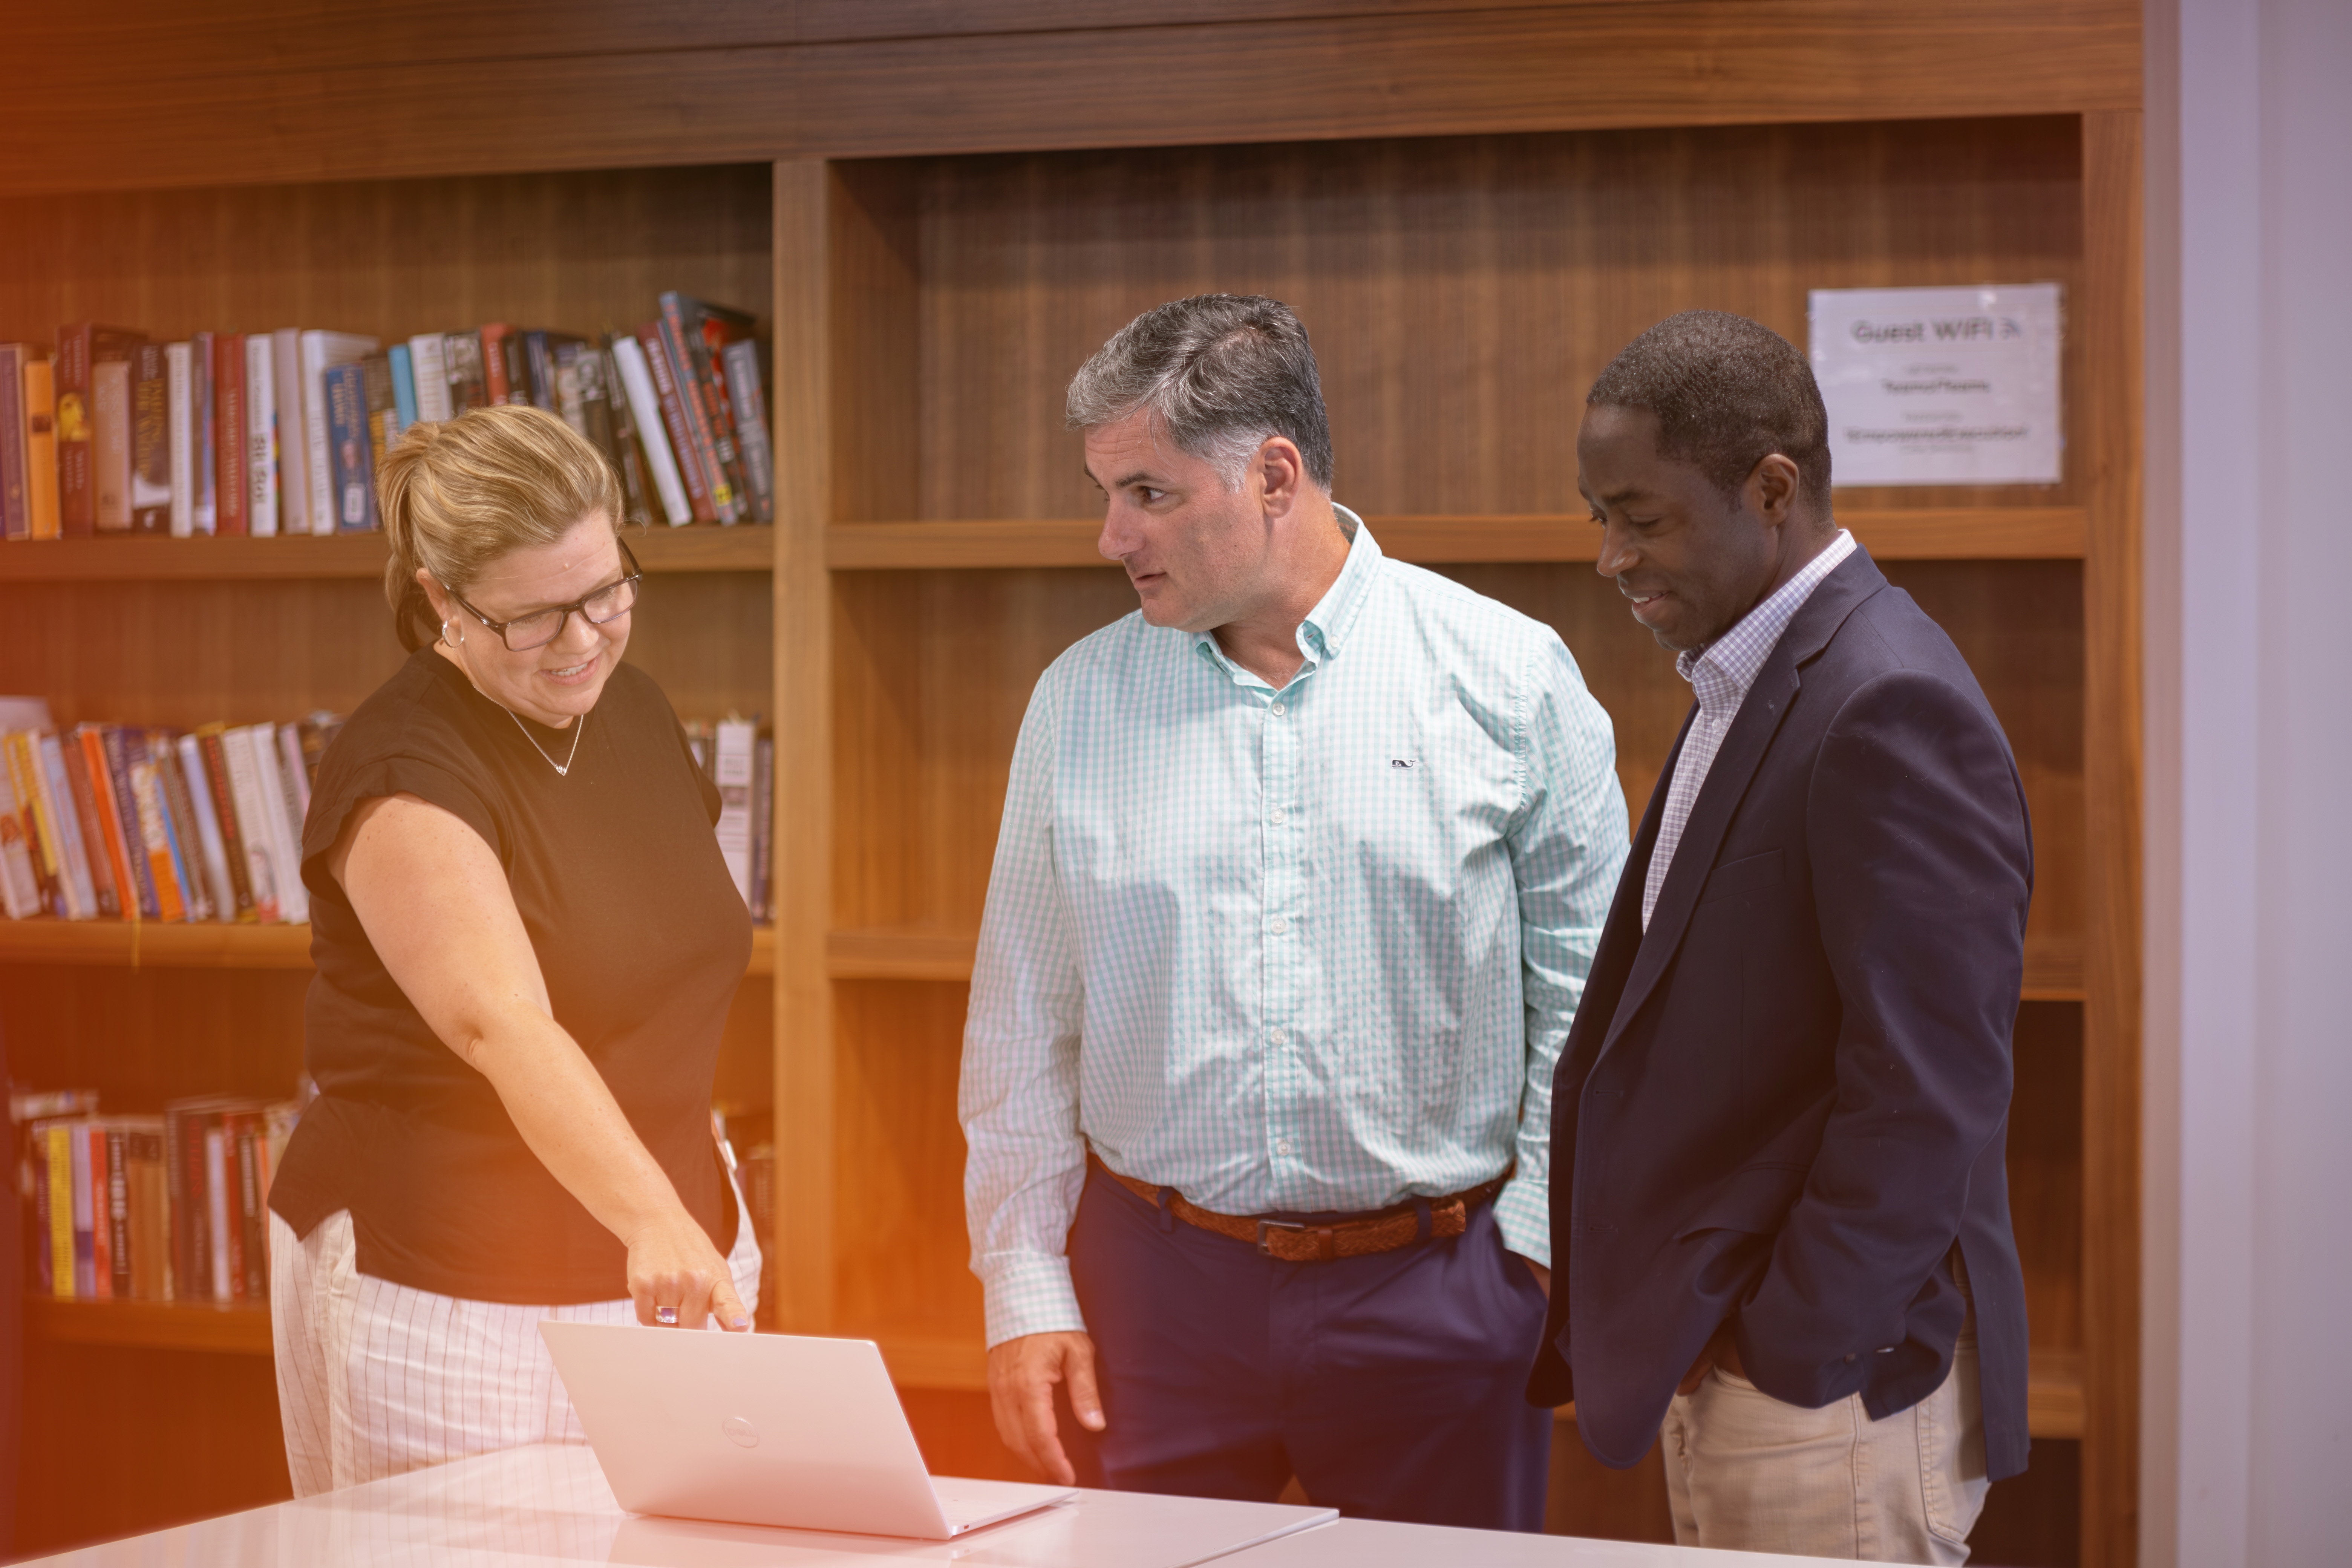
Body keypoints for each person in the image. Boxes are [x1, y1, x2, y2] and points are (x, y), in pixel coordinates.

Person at [961, 294, 1629, 1531]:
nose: (1111, 536)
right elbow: (1020, 1019)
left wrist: (1529, 1260)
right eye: (1105, 493)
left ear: (1274, 474)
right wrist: (1025, 1284)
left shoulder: (1508, 676)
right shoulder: (1080, 700)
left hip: (1441, 1293)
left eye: (1147, 493)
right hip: (1149, 1301)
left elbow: (1591, 1005)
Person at [1525, 311, 2033, 1563]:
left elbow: (1930, 1086)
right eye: (1600, 517)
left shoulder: (1887, 699)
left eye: (1641, 519)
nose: (1610, 557)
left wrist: (1796, 1341)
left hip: (1828, 1386)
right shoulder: (1748, 674)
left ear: (1771, 489)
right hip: (1737, 1359)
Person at [266, 405, 759, 1496]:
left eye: (604, 591)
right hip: (447, 1289)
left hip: (666, 1259)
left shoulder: (630, 709)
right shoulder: (402, 769)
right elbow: (503, 1021)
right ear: (443, 599)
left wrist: (686, 1217)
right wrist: (654, 1217)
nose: (584, 640)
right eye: (535, 619)